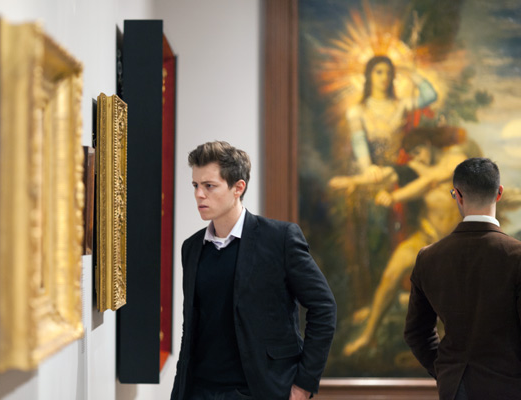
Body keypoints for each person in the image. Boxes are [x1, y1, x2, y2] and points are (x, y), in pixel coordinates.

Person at [171, 141, 337, 400]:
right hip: (199, 391)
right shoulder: (191, 248)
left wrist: (304, 384)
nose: (199, 195)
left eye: (209, 186)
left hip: (260, 390)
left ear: (238, 187)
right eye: (195, 185)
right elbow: (190, 326)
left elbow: (324, 307)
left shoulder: (280, 239)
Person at [330, 127, 466, 356]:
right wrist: (355, 180)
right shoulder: (417, 167)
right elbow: (389, 174)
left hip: (454, 244)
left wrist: (394, 197)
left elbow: (429, 182)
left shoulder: (455, 159)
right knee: (391, 274)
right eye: (413, 155)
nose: (417, 158)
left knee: (450, 303)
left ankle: (450, 351)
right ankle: (368, 335)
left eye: (419, 152)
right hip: (426, 236)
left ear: (428, 144)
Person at [404, 157, 521, 399]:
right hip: (510, 387)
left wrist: (447, 369)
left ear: (457, 195)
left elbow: (416, 333)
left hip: (455, 386)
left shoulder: (428, 257)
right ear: (499, 193)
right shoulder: (517, 256)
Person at [348, 55, 437, 172]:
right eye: (379, 72)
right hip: (368, 171)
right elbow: (359, 142)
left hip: (397, 169)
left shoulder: (401, 105)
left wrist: (411, 73)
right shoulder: (357, 110)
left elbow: (430, 96)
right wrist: (368, 169)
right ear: (369, 75)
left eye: (389, 73)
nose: (385, 77)